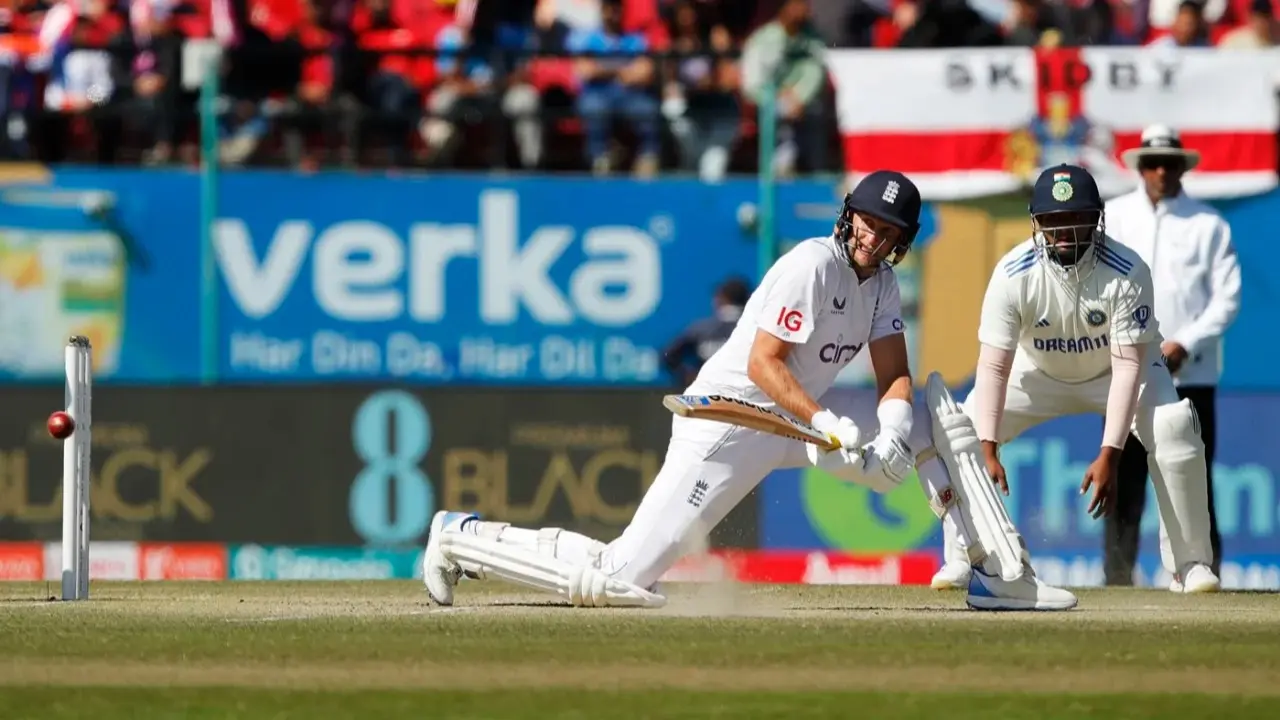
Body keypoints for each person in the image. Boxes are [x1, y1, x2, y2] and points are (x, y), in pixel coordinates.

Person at [421, 170, 1077, 612]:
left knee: (939, 422)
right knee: (621, 578)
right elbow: (766, 364)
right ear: (849, 218)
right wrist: (830, 420)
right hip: (730, 425)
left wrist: (896, 433)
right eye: (869, 224)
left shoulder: (879, 287)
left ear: (901, 244)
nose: (875, 238)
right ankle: (461, 536)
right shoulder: (811, 265)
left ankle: (995, 574)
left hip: (793, 429)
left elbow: (894, 375)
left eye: (889, 233)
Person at [928, 163, 1221, 595]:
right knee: (962, 429)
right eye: (1052, 219)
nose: (1064, 229)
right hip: (1036, 373)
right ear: (1037, 222)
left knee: (1174, 427)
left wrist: (1110, 454)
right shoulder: (1013, 275)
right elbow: (993, 368)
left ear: (1096, 218)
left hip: (1116, 371)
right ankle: (962, 554)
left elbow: (1127, 369)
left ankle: (1190, 564)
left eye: (1075, 217)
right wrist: (986, 447)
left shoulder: (1127, 271)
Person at [1102, 125, 1241, 587]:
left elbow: (1227, 298)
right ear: (1140, 167)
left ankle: (1202, 578)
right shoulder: (1115, 217)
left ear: (1183, 167)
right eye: (1152, 163)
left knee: (1191, 484)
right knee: (1123, 486)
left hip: (1191, 377)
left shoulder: (1208, 224)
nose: (1161, 171)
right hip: (1128, 375)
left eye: (1170, 163)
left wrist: (1187, 342)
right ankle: (1117, 583)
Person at [661, 276, 750, 387]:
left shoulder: (701, 330)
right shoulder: (754, 329)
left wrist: (688, 376)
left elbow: (667, 355)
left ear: (720, 299)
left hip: (707, 392)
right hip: (745, 392)